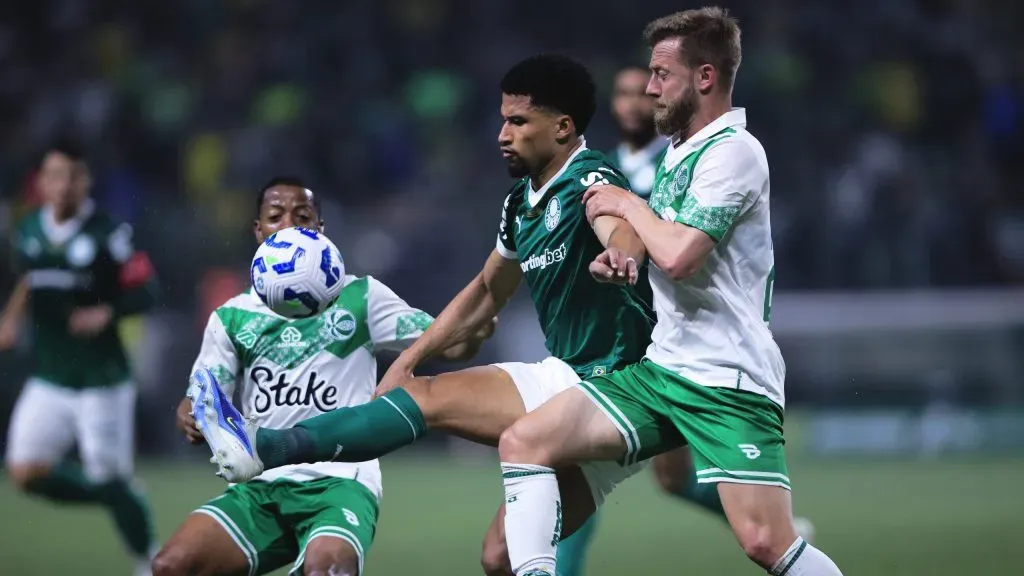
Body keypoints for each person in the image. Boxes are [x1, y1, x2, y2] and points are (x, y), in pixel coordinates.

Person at [189, 54, 656, 576]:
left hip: (619, 388)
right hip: (567, 377)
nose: (503, 133)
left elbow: (622, 224)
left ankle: (266, 447)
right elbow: (486, 290)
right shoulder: (520, 203)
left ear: (563, 127)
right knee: (499, 557)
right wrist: (409, 359)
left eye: (519, 121)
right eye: (503, 119)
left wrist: (622, 255)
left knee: (428, 400)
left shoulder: (591, 176)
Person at [496, 8, 844, 576]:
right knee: (527, 441)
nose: (650, 88)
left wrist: (627, 204)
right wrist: (622, 262)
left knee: (764, 542)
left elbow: (680, 255)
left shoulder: (735, 152)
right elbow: (657, 250)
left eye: (661, 74)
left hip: (727, 376)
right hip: (664, 369)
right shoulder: (681, 151)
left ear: (704, 78)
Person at [153, 178, 491, 576]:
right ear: (258, 231)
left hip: (340, 480)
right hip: (259, 487)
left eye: (303, 216)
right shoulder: (231, 316)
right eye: (275, 217)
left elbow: (446, 344)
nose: (290, 225)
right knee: (171, 565)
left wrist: (474, 333)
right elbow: (201, 396)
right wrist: (191, 415)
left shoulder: (361, 297)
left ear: (320, 229)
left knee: (327, 571)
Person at [1, 141, 160, 576]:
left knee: (109, 478)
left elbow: (147, 290)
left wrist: (106, 311)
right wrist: (10, 319)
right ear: (43, 182)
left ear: (86, 181)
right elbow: (29, 278)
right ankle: (119, 494)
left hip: (102, 380)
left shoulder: (108, 234)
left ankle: (150, 563)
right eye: (56, 176)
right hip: (50, 377)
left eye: (74, 176)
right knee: (25, 472)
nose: (64, 185)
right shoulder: (30, 228)